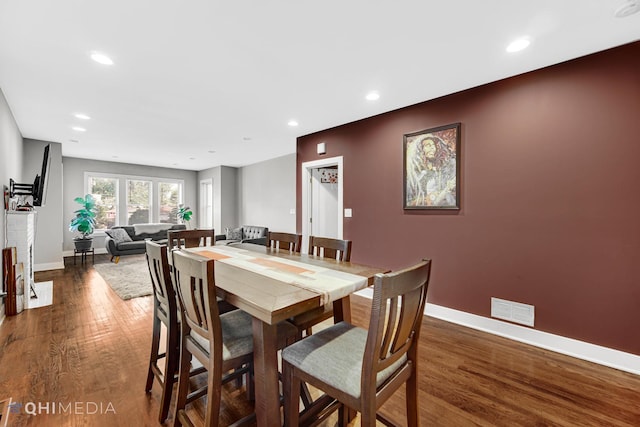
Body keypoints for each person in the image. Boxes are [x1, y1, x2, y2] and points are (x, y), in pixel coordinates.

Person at [406, 133, 456, 207]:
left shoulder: (441, 171)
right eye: (428, 145)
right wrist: (426, 199)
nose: (432, 148)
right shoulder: (415, 176)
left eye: (433, 145)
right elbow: (408, 201)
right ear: (420, 149)